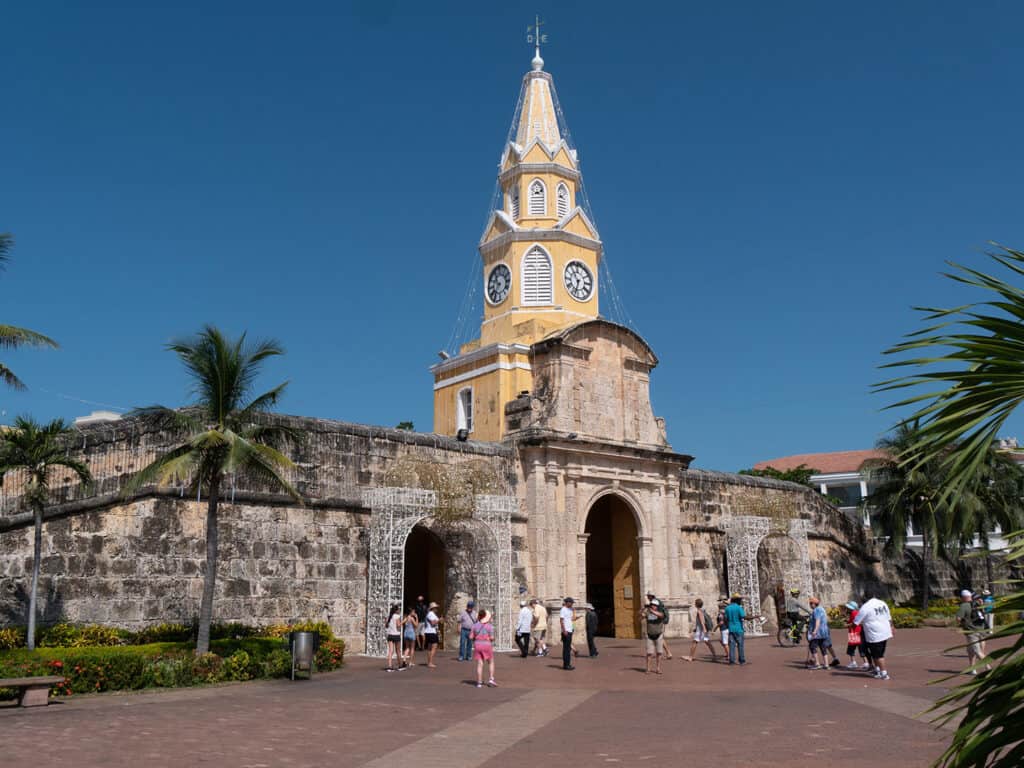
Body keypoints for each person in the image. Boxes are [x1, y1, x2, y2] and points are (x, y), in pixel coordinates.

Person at [854, 592, 893, 680]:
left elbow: (856, 622)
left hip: (875, 634)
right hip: (885, 632)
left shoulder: (865, 607)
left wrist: (850, 626)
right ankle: (878, 670)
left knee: (878, 655)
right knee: (875, 654)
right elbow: (889, 617)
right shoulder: (882, 603)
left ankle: (884, 673)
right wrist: (892, 627)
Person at [955, 589, 989, 674]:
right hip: (981, 630)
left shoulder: (964, 606)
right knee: (970, 651)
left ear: (963, 597)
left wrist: (960, 624)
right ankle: (972, 669)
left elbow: (958, 618)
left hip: (971, 632)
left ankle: (988, 668)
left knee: (977, 651)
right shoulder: (977, 603)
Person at [685, 597, 719, 662]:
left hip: (701, 630)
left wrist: (704, 628)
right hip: (701, 629)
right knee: (707, 642)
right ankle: (714, 656)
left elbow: (702, 620)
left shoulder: (699, 611)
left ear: (696, 604)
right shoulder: (703, 610)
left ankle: (690, 657)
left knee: (695, 642)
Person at [806, 596, 836, 669]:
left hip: (817, 633)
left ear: (814, 604)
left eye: (810, 603)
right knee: (823, 648)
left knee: (813, 647)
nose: (810, 605)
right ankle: (826, 664)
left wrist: (815, 631)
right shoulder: (822, 609)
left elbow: (818, 621)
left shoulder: (816, 610)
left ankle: (817, 664)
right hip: (824, 632)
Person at [471, 609, 497, 688]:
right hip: (486, 645)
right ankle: (491, 679)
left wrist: (476, 638)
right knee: (490, 662)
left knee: (480, 664)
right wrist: (491, 639)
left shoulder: (474, 626)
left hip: (477, 645)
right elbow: (492, 638)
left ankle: (479, 682)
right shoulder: (490, 626)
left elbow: (471, 637)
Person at [641, 597, 666, 674]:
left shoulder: (661, 612)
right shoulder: (647, 613)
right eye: (652, 605)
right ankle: (648, 668)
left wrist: (651, 611)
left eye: (654, 605)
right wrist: (642, 610)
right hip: (649, 635)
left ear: (657, 606)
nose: (653, 606)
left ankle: (658, 668)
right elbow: (640, 617)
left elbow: (661, 616)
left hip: (658, 635)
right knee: (649, 653)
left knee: (659, 653)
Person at [843, 601, 868, 669]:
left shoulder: (854, 613)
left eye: (848, 607)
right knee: (861, 648)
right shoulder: (854, 613)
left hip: (854, 632)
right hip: (857, 632)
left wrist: (847, 625)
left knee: (851, 649)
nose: (847, 608)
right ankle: (865, 662)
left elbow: (855, 623)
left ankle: (854, 662)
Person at [725, 593, 746, 665]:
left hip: (731, 629)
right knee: (740, 645)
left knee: (732, 646)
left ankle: (732, 661)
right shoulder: (739, 607)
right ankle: (742, 660)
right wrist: (755, 617)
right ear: (737, 600)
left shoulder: (727, 608)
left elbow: (726, 618)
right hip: (739, 629)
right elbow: (743, 616)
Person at [385, 604, 403, 672]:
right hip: (396, 635)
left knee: (390, 651)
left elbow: (386, 626)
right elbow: (398, 625)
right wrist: (403, 621)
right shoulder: (397, 616)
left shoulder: (389, 616)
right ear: (396, 610)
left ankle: (389, 666)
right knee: (398, 651)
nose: (399, 611)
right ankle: (400, 665)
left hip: (390, 635)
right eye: (398, 609)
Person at [560, 597, 576, 670]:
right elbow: (561, 621)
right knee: (566, 649)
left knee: (568, 648)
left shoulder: (570, 610)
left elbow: (571, 619)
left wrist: (575, 614)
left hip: (570, 630)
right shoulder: (563, 609)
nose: (572, 604)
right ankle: (566, 665)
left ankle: (567, 664)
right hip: (566, 631)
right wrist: (564, 630)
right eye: (571, 602)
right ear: (567, 602)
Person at [423, 601, 441, 668]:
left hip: (430, 632)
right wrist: (439, 620)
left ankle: (429, 662)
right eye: (436, 607)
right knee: (433, 647)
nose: (437, 609)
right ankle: (430, 662)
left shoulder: (431, 614)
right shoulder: (431, 614)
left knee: (430, 648)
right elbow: (433, 623)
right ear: (433, 608)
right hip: (431, 632)